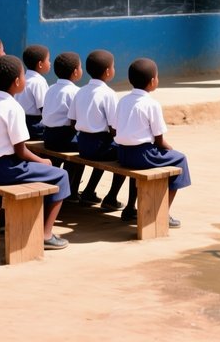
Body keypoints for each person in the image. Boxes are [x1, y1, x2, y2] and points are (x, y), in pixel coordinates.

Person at [0, 55, 71, 250]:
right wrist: (42, 161)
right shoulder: (13, 108)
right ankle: (46, 234)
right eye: (23, 77)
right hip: (5, 169)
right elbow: (21, 151)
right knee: (61, 175)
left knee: (37, 172)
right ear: (17, 81)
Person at [115, 58, 191, 228]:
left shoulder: (122, 101)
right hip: (143, 155)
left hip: (122, 154)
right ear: (152, 82)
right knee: (180, 160)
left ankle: (130, 208)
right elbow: (159, 139)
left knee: (135, 170)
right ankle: (163, 211)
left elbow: (116, 127)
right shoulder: (151, 104)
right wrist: (170, 149)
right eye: (157, 77)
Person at [68, 49, 134, 216]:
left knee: (107, 150)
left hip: (83, 145)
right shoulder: (109, 94)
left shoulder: (80, 91)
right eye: (113, 66)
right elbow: (114, 128)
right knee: (125, 154)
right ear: (107, 71)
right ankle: (111, 197)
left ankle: (90, 191)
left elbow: (73, 121)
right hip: (100, 146)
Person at [42, 51, 84, 198]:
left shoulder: (50, 88)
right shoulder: (75, 92)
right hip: (66, 138)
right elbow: (76, 121)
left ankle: (61, 188)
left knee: (58, 158)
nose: (81, 70)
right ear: (75, 72)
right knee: (83, 152)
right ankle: (71, 192)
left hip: (48, 136)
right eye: (80, 67)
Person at [16, 44, 50, 140]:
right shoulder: (39, 81)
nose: (50, 63)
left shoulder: (22, 78)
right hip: (33, 125)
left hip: (20, 122)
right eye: (48, 60)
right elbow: (44, 108)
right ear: (40, 64)